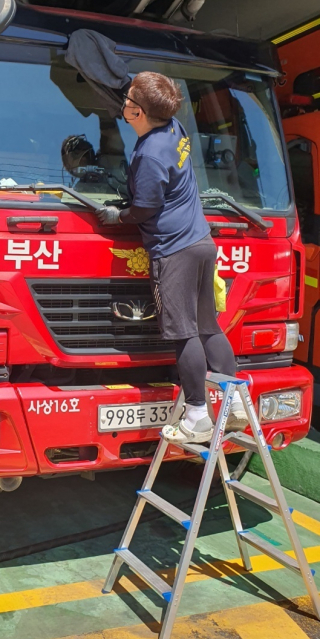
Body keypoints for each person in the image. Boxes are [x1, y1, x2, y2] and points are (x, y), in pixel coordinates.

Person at [96, 72, 247, 444]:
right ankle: (236, 402)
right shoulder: (174, 127)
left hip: (174, 250)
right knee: (208, 326)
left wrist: (119, 216)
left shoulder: (148, 155)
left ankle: (197, 416)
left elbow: (145, 209)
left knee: (184, 333)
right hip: (201, 242)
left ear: (138, 112)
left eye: (128, 99)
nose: (123, 102)